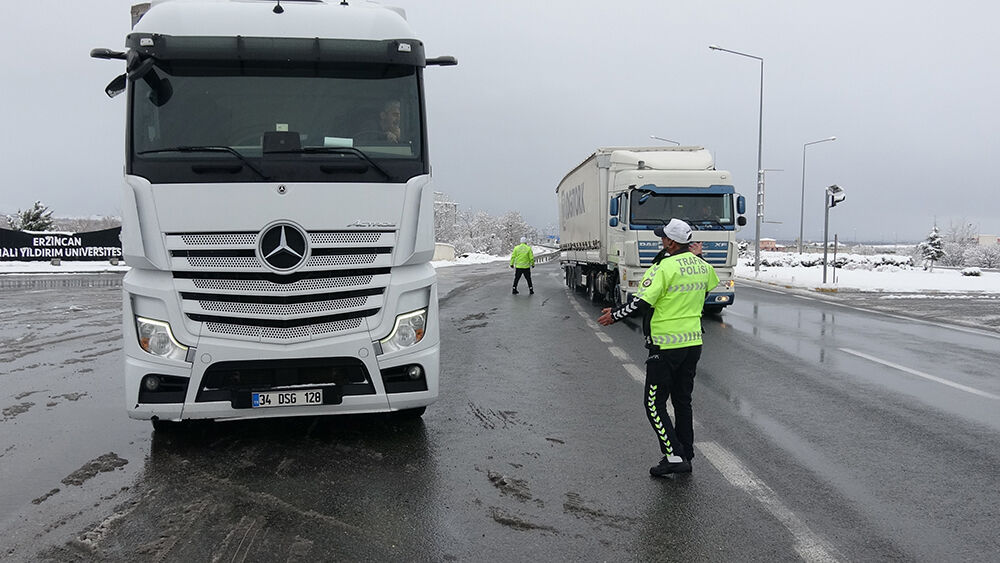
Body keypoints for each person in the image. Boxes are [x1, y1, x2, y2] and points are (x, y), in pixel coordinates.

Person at [597, 218, 719, 477]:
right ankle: (685, 453)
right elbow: (709, 285)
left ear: (671, 242)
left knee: (654, 404)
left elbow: (641, 303)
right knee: (683, 401)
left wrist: (615, 315)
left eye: (663, 237)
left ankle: (673, 456)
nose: (661, 240)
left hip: (665, 345)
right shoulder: (701, 265)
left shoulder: (663, 268)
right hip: (693, 343)